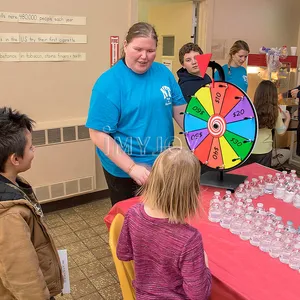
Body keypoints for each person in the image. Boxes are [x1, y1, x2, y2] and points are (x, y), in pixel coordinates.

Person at [86, 22, 186, 205]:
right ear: (125, 46)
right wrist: (132, 168)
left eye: (150, 51)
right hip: (125, 169)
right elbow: (98, 134)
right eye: (138, 49)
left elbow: (180, 111)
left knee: (160, 217)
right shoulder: (109, 83)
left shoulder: (163, 73)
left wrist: (202, 136)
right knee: (129, 222)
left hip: (161, 163)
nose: (144, 56)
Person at [117, 147, 212, 300]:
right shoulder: (189, 239)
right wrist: (205, 266)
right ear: (191, 192)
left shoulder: (133, 213)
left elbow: (123, 253)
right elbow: (199, 295)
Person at [0, 107, 63, 299]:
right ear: (15, 159)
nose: (34, 151)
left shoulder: (15, 185)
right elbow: (23, 277)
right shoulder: (9, 216)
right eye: (30, 147)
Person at [245, 80, 290, 167]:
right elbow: (281, 132)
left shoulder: (249, 108)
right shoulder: (275, 111)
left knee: (248, 177)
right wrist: (287, 119)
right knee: (262, 176)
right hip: (264, 151)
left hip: (248, 149)